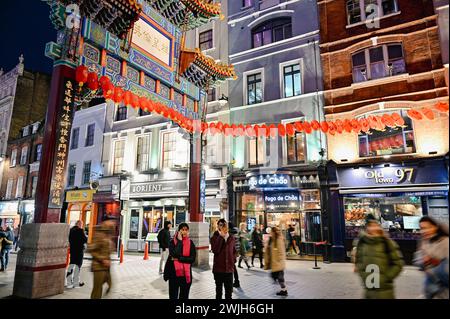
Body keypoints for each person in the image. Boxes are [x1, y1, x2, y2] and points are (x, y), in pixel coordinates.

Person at [354, 214, 404, 299]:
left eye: (375, 226)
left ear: (379, 228)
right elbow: (359, 261)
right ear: (367, 229)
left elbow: (398, 264)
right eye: (370, 226)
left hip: (384, 289)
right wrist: (364, 276)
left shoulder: (387, 243)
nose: (373, 228)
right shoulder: (363, 243)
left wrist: (386, 278)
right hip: (368, 288)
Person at [415, 216, 449, 299]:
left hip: (445, 286)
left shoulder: (445, 242)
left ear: (435, 227)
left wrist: (433, 261)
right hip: (430, 282)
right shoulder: (423, 241)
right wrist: (423, 262)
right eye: (421, 228)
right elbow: (417, 261)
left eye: (427, 228)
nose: (424, 231)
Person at [164, 223, 196, 299]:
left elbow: (192, 259)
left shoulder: (190, 243)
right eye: (182, 230)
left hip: (185, 276)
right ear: (178, 231)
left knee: (184, 296)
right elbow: (174, 254)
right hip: (173, 275)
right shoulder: (172, 242)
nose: (184, 232)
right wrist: (180, 241)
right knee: (173, 296)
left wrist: (179, 259)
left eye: (186, 230)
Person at [88, 220, 115, 299]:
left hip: (106, 267)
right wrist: (102, 259)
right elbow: (91, 249)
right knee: (97, 289)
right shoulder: (99, 235)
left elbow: (109, 250)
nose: (112, 225)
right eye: (110, 224)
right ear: (105, 224)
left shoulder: (108, 235)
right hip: (98, 267)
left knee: (110, 285)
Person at [211, 219, 237, 299]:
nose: (223, 227)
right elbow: (215, 250)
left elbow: (234, 251)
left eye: (224, 225)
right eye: (221, 225)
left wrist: (233, 261)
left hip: (229, 270)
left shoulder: (231, 237)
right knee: (219, 293)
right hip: (218, 270)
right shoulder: (214, 237)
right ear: (218, 226)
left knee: (229, 294)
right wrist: (221, 237)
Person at [264, 226, 288, 296]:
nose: (270, 233)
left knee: (278, 277)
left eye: (271, 231)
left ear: (274, 232)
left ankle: (284, 290)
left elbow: (281, 252)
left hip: (278, 263)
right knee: (277, 277)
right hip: (274, 262)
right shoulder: (272, 239)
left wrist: (279, 261)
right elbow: (269, 250)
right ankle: (284, 290)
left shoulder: (278, 240)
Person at [66, 220, 88, 288]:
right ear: (79, 224)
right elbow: (85, 240)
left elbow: (69, 239)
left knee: (71, 265)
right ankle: (76, 282)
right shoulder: (80, 230)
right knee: (78, 266)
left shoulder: (71, 230)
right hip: (79, 251)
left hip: (73, 250)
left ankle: (69, 281)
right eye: (81, 224)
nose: (82, 225)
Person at [229, 222, 241, 288]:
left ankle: (235, 282)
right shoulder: (236, 233)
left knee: (231, 268)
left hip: (230, 253)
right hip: (234, 253)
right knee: (233, 267)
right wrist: (237, 252)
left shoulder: (230, 234)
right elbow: (237, 244)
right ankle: (236, 281)